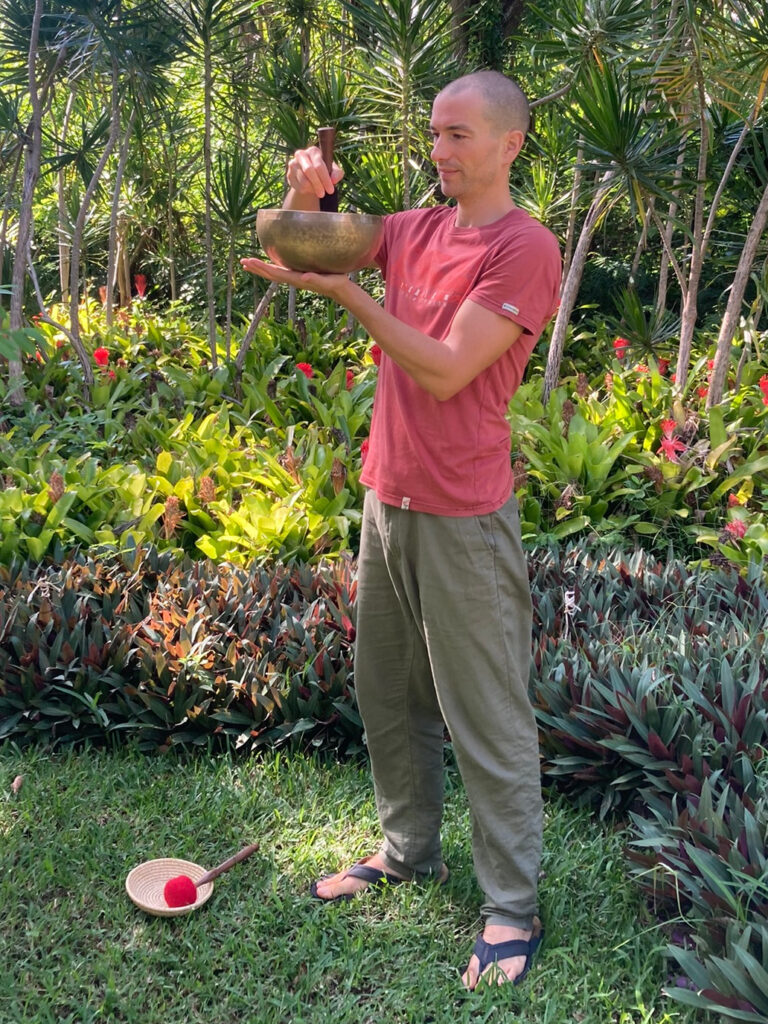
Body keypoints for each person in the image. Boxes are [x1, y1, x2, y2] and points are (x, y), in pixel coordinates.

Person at [241, 69, 562, 989]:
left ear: (509, 144)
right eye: (434, 133)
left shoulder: (523, 248)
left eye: (460, 135)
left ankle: (511, 907)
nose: (441, 150)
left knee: (486, 714)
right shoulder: (415, 229)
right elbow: (315, 238)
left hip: (465, 512)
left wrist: (353, 300)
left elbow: (448, 370)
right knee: (388, 693)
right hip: (390, 498)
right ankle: (406, 850)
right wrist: (303, 191)